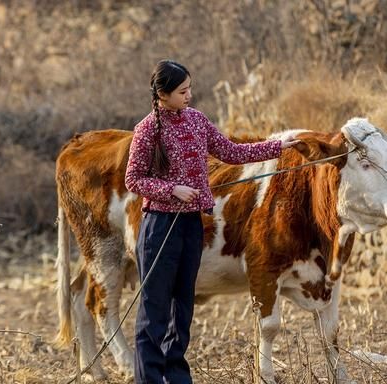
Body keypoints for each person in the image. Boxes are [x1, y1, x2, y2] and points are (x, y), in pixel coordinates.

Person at [125, 59, 299, 384]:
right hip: (159, 228)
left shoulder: (197, 120)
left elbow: (232, 152)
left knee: (183, 307)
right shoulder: (146, 130)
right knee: (155, 308)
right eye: (182, 91)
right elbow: (133, 179)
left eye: (190, 88)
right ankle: (147, 378)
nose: (189, 96)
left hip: (193, 226)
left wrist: (278, 148)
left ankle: (177, 376)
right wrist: (171, 190)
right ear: (162, 95)